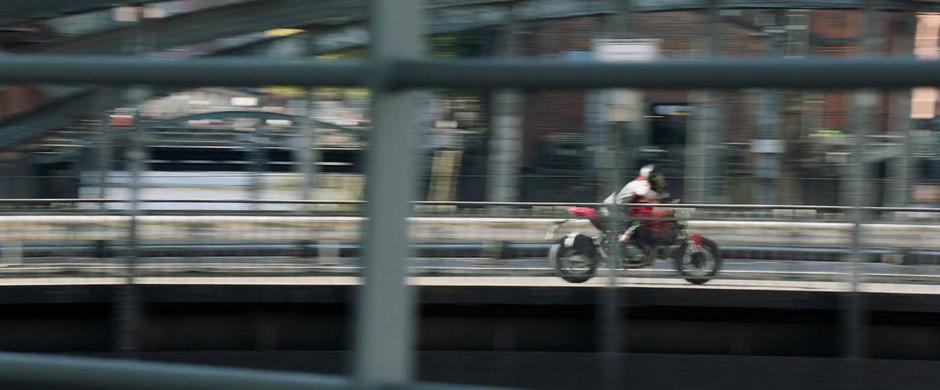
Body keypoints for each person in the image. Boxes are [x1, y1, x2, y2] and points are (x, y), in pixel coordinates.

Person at [602, 165, 670, 244]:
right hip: (614, 209)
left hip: (620, 208)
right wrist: (661, 196)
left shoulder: (641, 182)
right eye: (655, 174)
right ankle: (620, 243)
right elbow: (646, 194)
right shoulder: (640, 183)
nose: (658, 176)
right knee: (634, 225)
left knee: (636, 222)